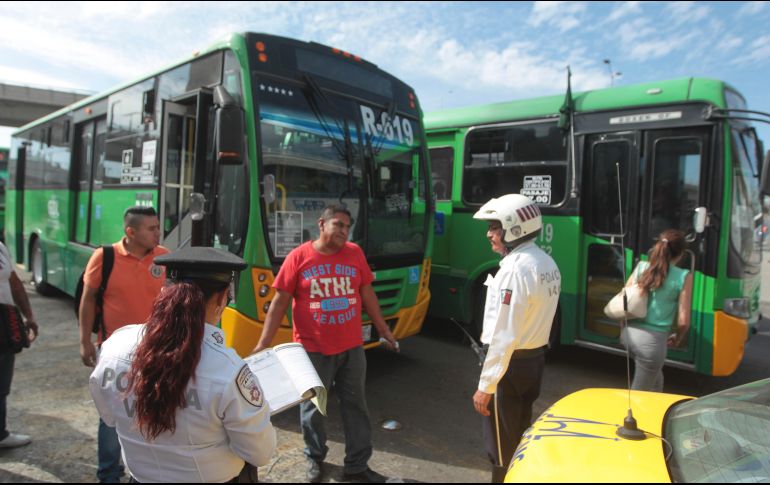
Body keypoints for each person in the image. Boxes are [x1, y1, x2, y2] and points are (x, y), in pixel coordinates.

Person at [89, 246, 276, 482]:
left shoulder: (115, 346)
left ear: (164, 290)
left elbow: (109, 417)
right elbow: (260, 452)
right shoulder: (228, 370)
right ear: (221, 298)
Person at [252, 205, 398, 483]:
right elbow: (279, 302)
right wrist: (263, 343)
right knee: (313, 410)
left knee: (356, 406)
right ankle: (314, 458)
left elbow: (367, 294)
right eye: (338, 225)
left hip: (351, 347)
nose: (344, 231)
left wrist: (384, 330)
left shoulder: (355, 254)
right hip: (311, 350)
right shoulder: (299, 257)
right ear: (322, 224)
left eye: (347, 226)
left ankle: (357, 466)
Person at [471, 194, 560, 482]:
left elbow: (504, 334)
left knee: (500, 446)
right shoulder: (546, 262)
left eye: (495, 227)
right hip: (534, 362)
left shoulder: (514, 269)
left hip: (509, 367)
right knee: (520, 433)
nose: (489, 234)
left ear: (514, 229)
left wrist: (486, 385)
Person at [79, 206, 168, 483]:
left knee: (155, 410)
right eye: (151, 228)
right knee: (113, 414)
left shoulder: (164, 258)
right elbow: (89, 299)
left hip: (156, 349)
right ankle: (108, 473)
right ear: (131, 232)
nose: (158, 232)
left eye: (157, 226)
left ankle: (147, 473)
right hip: (115, 354)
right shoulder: (104, 257)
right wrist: (84, 341)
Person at [621, 229, 693, 392]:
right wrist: (678, 338)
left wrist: (623, 329)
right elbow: (683, 321)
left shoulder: (641, 267)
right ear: (681, 254)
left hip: (628, 336)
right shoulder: (683, 276)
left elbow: (624, 301)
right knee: (639, 396)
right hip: (652, 344)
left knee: (656, 383)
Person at [0, 241, 38, 448]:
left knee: (2, 383)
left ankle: (0, 434)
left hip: (4, 326)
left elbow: (14, 282)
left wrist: (29, 315)